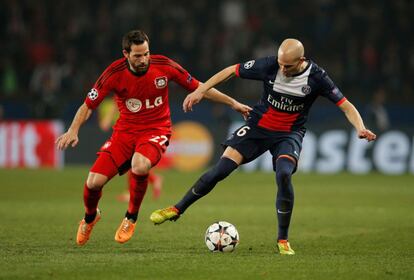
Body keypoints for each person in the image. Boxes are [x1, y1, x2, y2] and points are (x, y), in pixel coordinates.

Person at [150, 38, 377, 255]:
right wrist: (201, 90)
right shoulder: (269, 65)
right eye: (280, 64)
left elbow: (346, 105)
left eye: (287, 66)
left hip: (288, 134)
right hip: (258, 128)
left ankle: (283, 240)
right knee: (221, 170)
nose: (282, 69)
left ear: (301, 61)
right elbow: (230, 70)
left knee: (284, 175)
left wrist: (360, 127)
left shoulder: (317, 77)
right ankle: (177, 209)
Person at [55, 30, 251, 246]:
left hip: (156, 130)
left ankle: (131, 217)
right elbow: (88, 105)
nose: (143, 59)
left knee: (140, 166)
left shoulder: (164, 66)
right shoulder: (113, 74)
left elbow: (199, 87)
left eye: (146, 53)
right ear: (126, 54)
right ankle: (90, 217)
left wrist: (233, 103)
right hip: (124, 133)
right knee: (93, 182)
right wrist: (73, 130)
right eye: (137, 56)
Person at [98, 98, 163, 201]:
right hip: (129, 128)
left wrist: (107, 119)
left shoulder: (122, 84)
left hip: (131, 129)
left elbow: (117, 101)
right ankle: (152, 180)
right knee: (133, 162)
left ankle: (136, 189)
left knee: (132, 161)